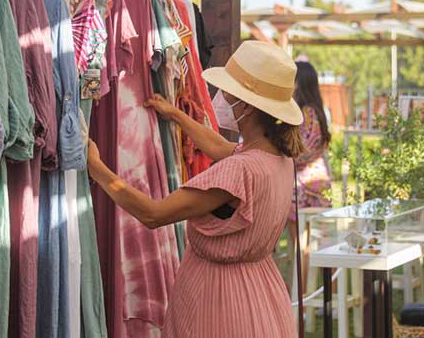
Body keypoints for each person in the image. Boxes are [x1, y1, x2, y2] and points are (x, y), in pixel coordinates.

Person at [87, 41, 305, 338]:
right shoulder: (278, 158)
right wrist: (176, 115)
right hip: (261, 295)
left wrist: (97, 168)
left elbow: (153, 214)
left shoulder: (239, 170)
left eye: (230, 93)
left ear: (247, 107)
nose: (223, 98)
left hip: (219, 304)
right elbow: (219, 147)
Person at [290, 62, 332, 243]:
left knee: (304, 247)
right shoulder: (313, 111)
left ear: (300, 82)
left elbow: (302, 152)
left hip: (305, 189)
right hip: (312, 187)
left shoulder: (307, 113)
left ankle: (300, 273)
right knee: (310, 247)